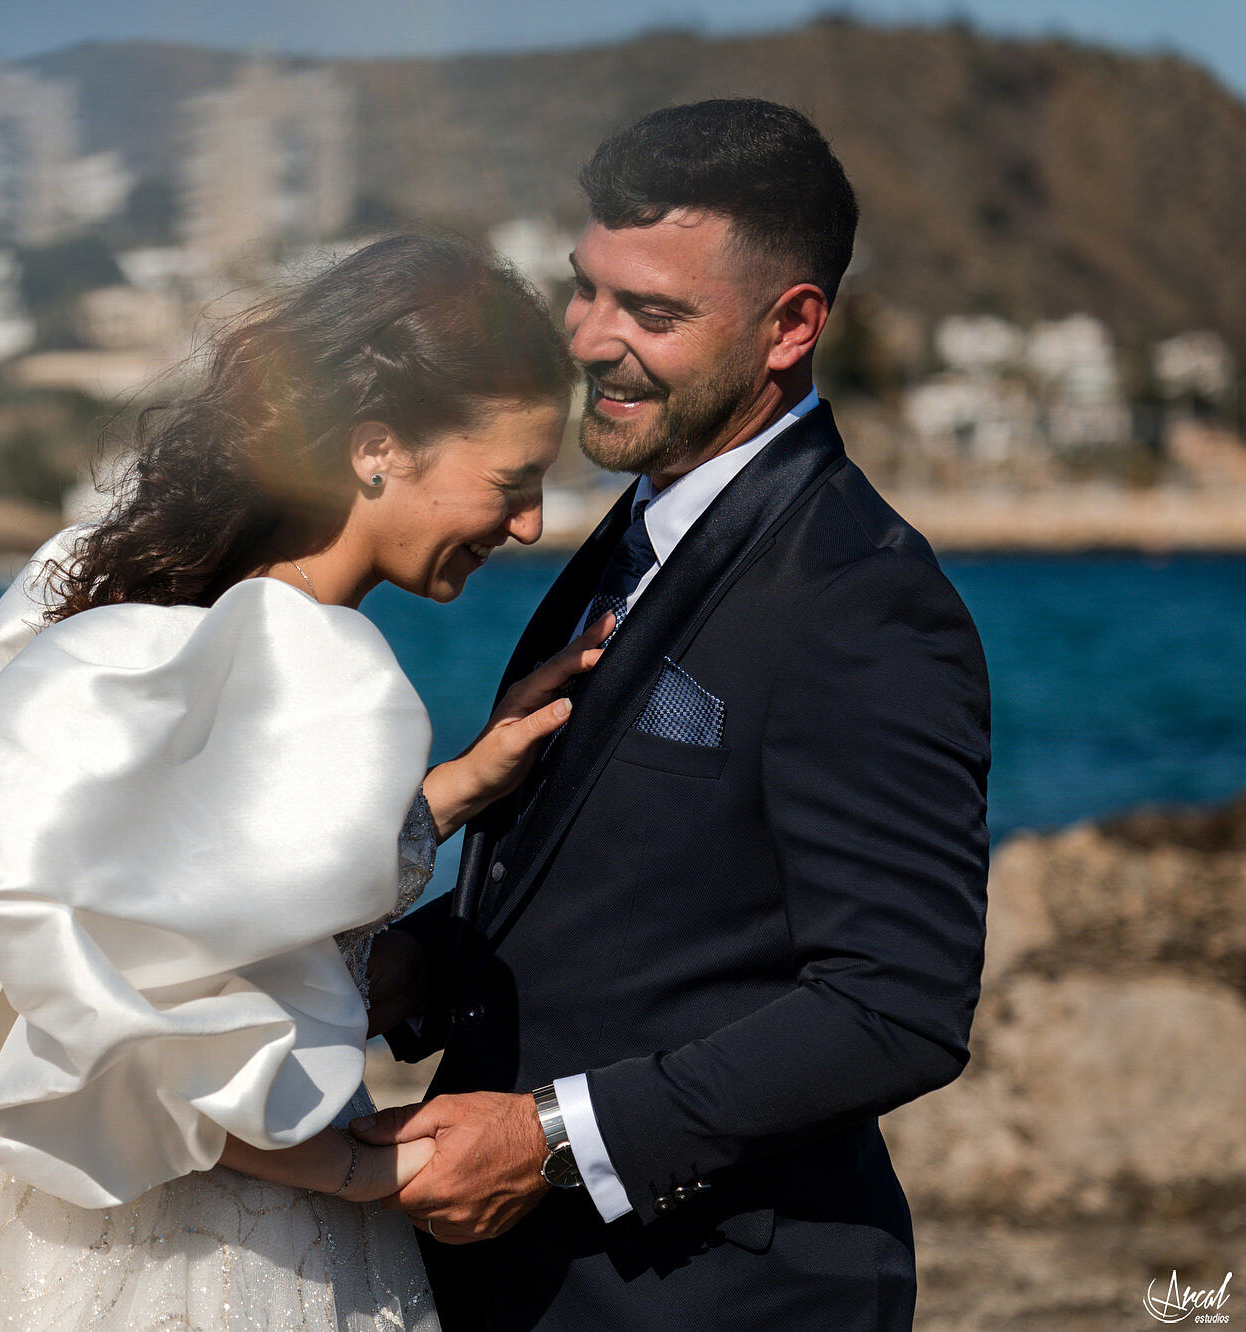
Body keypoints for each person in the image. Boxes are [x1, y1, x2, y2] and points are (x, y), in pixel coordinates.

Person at [0, 234, 593, 1330]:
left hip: (60, 1225)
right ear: (377, 449)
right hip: (212, 1244)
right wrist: (371, 1177)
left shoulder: (159, 622)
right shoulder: (306, 669)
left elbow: (189, 904)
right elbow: (151, 1045)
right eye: (510, 483)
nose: (526, 525)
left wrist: (454, 789)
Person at [359, 100, 993, 1330]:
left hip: (717, 1293)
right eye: (583, 290)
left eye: (651, 314)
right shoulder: (636, 531)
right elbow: (626, 893)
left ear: (788, 326)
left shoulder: (860, 601)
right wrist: (400, 970)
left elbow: (895, 1006)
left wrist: (550, 1140)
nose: (591, 341)